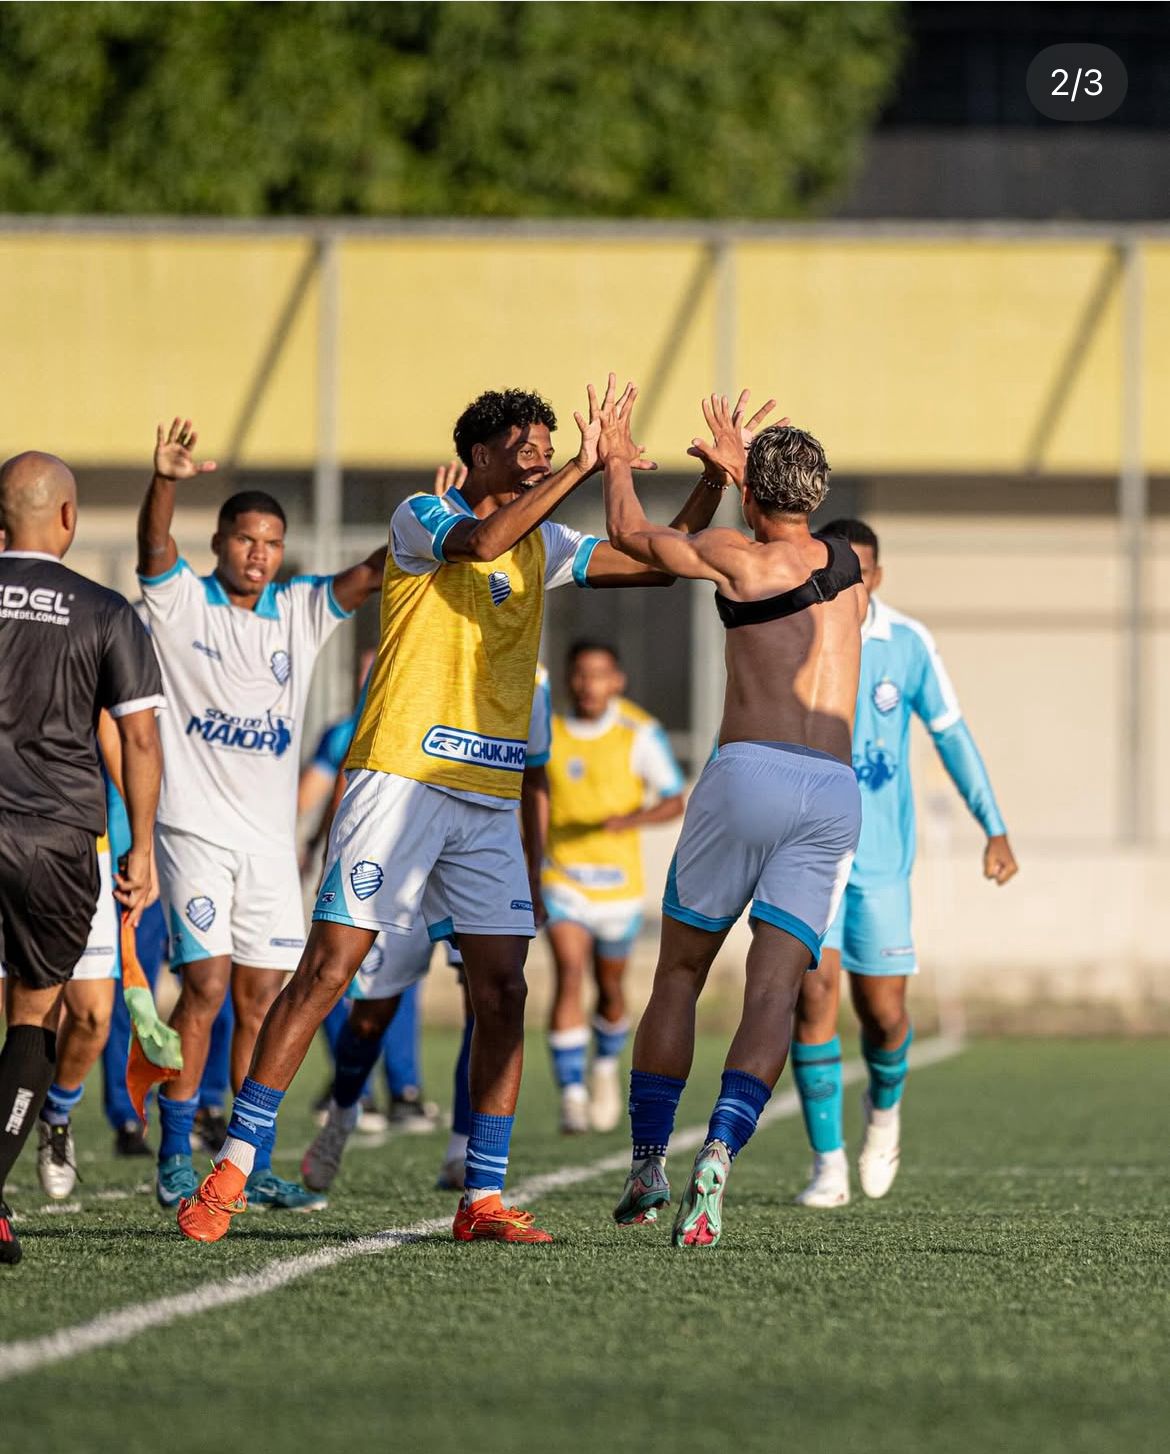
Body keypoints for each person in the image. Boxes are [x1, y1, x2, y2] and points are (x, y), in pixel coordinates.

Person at [178, 379, 731, 1246]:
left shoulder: (546, 539)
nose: (543, 458)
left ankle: (480, 1197)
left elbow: (661, 566)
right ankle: (235, 1167)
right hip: (397, 777)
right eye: (529, 448)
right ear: (478, 454)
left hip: (489, 797)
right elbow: (478, 543)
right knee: (330, 970)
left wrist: (712, 486)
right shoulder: (420, 516)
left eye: (551, 449)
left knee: (504, 988)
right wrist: (590, 463)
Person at [598, 386, 866, 1249]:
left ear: (753, 493)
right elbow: (786, 522)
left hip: (747, 771)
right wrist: (745, 468)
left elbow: (629, 540)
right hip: (832, 788)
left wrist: (614, 458)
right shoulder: (849, 563)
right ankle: (720, 1150)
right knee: (776, 990)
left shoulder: (738, 556)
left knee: (679, 973)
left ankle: (648, 1161)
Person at [136, 418, 387, 1213]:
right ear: (218, 542)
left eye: (272, 543)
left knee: (262, 1001)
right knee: (205, 988)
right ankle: (176, 1150)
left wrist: (449, 524)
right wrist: (164, 482)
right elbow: (151, 549)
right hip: (192, 832)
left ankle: (244, 1160)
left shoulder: (299, 610)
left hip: (269, 848)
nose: (259, 553)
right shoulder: (182, 604)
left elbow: (372, 575)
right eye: (246, 539)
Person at [789, 518, 1017, 1208]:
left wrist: (994, 827)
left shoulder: (909, 644)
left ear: (876, 578)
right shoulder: (793, 632)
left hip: (881, 864)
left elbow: (951, 733)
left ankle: (883, 1115)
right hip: (806, 853)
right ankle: (827, 1162)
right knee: (812, 994)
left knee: (884, 1013)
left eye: (855, 572)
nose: (842, 584)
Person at [301, 657, 551, 1196]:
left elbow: (536, 776)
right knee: (371, 1013)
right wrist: (328, 847)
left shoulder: (531, 673)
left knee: (488, 1000)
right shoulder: (420, 645)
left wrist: (535, 871)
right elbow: (358, 766)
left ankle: (463, 1153)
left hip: (477, 852)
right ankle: (344, 1112)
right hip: (407, 845)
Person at [0, 451, 163, 1265]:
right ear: (67, 519)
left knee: (86, 1015)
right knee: (35, 1014)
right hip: (58, 841)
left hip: (56, 832)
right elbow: (139, 737)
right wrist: (149, 846)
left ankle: (48, 1128)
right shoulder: (104, 609)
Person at [543, 640, 684, 1134]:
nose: (589, 685)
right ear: (568, 679)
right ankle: (572, 1097)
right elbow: (529, 796)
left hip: (619, 888)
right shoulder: (550, 731)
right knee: (569, 970)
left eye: (599, 674)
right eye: (580, 675)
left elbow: (673, 799)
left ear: (617, 680)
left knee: (610, 988)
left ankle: (603, 1068)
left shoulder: (639, 732)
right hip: (562, 878)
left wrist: (632, 819)